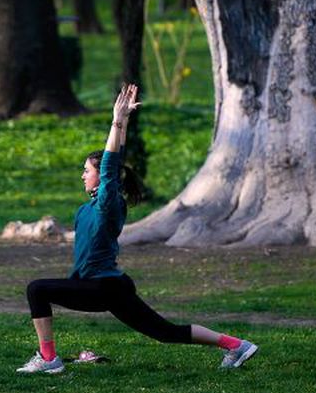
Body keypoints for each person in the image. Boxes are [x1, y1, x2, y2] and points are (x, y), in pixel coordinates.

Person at [17, 83, 258, 374]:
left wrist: (118, 122)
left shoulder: (109, 205)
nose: (82, 175)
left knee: (37, 290)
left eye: (87, 170)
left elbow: (110, 165)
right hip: (102, 287)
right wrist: (123, 122)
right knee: (165, 332)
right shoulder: (86, 210)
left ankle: (48, 359)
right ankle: (237, 346)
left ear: (102, 178)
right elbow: (110, 166)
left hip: (103, 287)